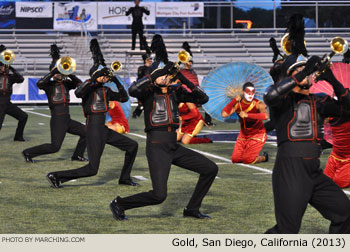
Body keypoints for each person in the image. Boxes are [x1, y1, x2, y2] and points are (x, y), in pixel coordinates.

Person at [109, 62, 218, 221]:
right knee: (159, 195)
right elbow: (132, 90)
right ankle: (120, 203)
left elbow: (203, 98)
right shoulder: (148, 92)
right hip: (157, 147)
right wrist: (155, 76)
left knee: (210, 169)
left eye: (166, 75)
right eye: (162, 74)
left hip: (173, 145)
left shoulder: (176, 92)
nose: (165, 77)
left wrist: (181, 77)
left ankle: (192, 209)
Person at [263, 54, 350, 233]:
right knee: (287, 231)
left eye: (307, 69)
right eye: (299, 69)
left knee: (345, 212)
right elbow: (271, 96)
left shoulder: (319, 101)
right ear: (290, 76)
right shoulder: (283, 101)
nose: (305, 73)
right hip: (290, 170)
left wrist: (332, 79)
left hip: (313, 171)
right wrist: (306, 71)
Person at [46, 66, 139, 188]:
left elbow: (124, 97)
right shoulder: (88, 89)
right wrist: (95, 78)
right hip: (93, 129)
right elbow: (78, 92)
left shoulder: (106, 90)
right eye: (102, 75)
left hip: (103, 128)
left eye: (105, 76)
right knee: (92, 169)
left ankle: (125, 178)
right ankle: (56, 176)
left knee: (132, 146)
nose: (104, 78)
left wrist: (115, 80)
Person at [22, 45, 87, 163]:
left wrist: (69, 73)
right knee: (55, 147)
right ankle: (28, 152)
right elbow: (40, 84)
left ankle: (77, 155)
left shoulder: (67, 83)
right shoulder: (49, 85)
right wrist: (52, 73)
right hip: (57, 119)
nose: (59, 74)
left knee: (86, 133)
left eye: (60, 72)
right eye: (57, 72)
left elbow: (80, 85)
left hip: (66, 118)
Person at [221, 82, 269, 164]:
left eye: (252, 92)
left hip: (257, 134)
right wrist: (234, 101)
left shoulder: (259, 104)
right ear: (243, 92)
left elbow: (266, 116)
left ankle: (264, 157)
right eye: (248, 92)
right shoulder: (238, 104)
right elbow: (224, 114)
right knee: (235, 160)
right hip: (243, 135)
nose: (250, 94)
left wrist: (248, 115)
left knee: (247, 160)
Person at [0, 45, 27, 142]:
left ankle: (18, 137)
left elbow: (21, 79)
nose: (4, 68)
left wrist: (10, 66)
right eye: (2, 66)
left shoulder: (10, 77)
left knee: (23, 116)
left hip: (7, 103)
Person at [324, 114, 350, 188]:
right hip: (335, 156)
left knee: (338, 183)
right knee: (325, 182)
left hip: (348, 159)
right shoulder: (333, 109)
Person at [132, 53, 152, 118]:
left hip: (151, 88)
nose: (151, 60)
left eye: (151, 59)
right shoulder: (141, 68)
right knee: (142, 105)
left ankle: (137, 113)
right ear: (146, 60)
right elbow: (139, 79)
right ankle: (136, 114)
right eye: (150, 59)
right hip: (143, 89)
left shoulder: (153, 68)